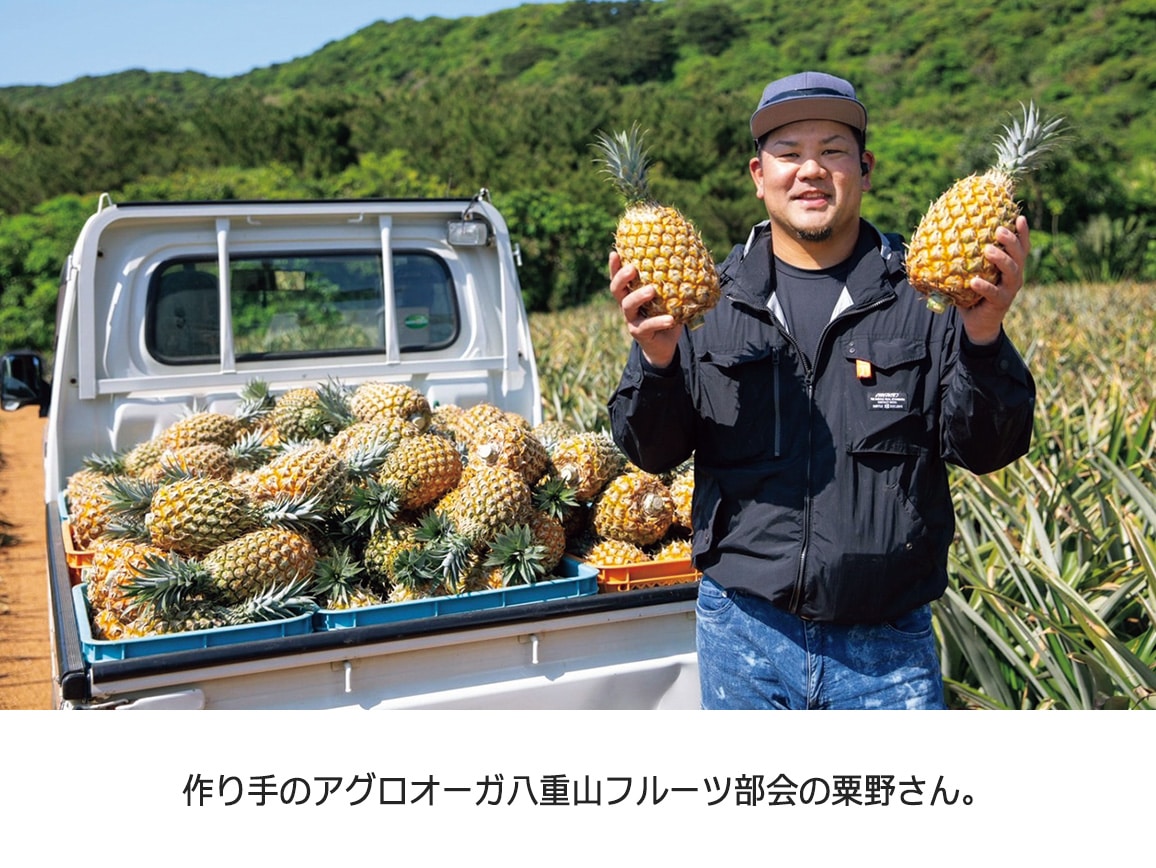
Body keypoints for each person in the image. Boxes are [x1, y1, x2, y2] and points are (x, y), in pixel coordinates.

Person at [607, 71, 1036, 710]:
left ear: (864, 170)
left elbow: (986, 448)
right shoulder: (708, 300)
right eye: (788, 153)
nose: (810, 170)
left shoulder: (925, 299)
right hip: (743, 635)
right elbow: (655, 450)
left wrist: (983, 333)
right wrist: (657, 358)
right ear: (759, 174)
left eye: (833, 151)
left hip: (886, 647)